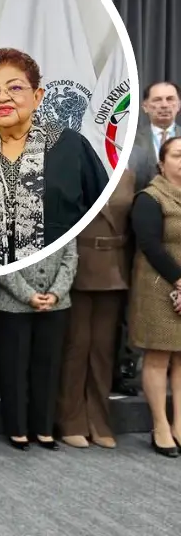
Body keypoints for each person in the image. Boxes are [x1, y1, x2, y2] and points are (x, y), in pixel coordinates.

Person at [0, 48, 107, 272]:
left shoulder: (71, 147)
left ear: (37, 96)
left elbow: (99, 217)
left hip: (53, 285)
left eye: (14, 87)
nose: (2, 97)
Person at [58, 167, 135, 449]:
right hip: (78, 264)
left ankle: (99, 420)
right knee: (77, 346)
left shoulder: (129, 174)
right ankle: (71, 419)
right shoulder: (75, 168)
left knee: (103, 350)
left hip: (115, 269)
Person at [0, 243, 78, 450]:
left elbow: (70, 258)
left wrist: (56, 293)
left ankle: (44, 428)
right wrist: (28, 295)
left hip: (55, 303)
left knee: (48, 366)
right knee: (14, 367)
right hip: (10, 302)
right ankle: (17, 428)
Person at [127, 136, 181, 457]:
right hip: (159, 285)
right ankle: (160, 425)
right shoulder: (150, 196)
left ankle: (179, 425)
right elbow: (150, 244)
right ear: (162, 163)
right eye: (177, 155)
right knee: (159, 356)